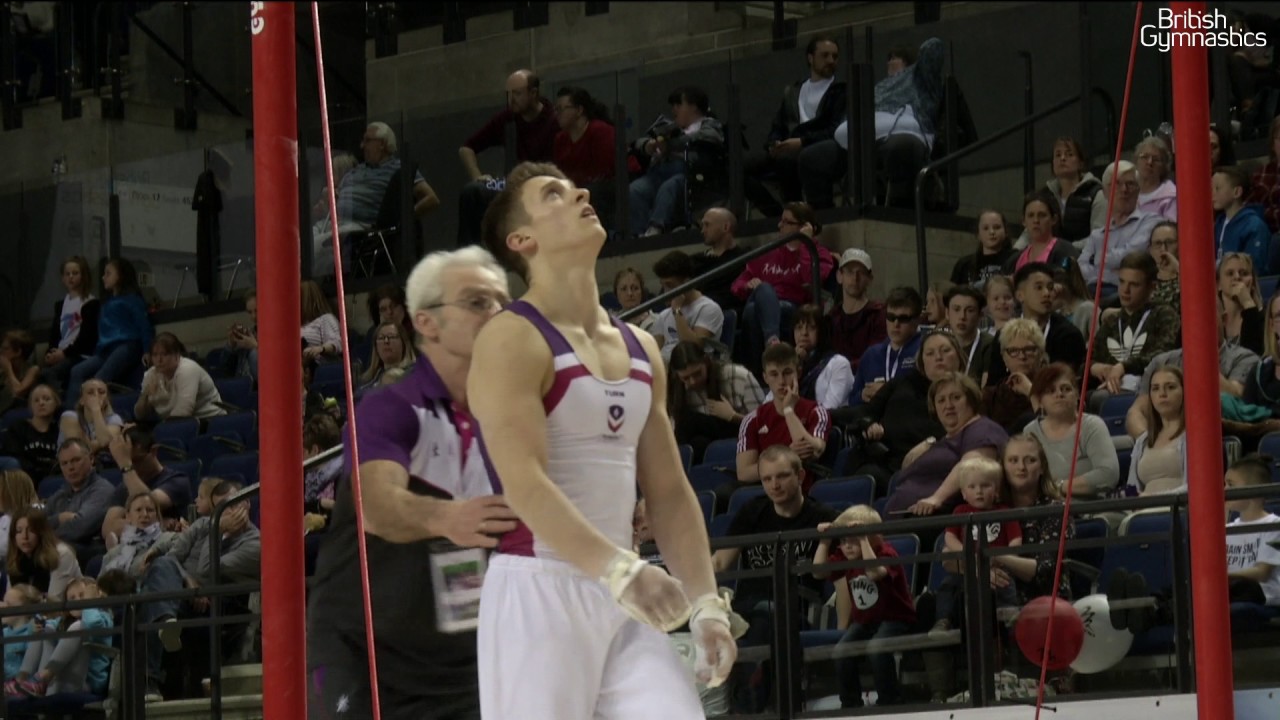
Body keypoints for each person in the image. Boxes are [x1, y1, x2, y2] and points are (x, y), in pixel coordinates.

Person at [472, 161, 738, 719]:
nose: (582, 192)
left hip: (623, 594)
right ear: (522, 240)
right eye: (555, 194)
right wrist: (617, 569)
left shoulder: (641, 347)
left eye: (576, 187)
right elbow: (523, 483)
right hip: (539, 592)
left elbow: (667, 492)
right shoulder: (510, 338)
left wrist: (706, 602)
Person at [306, 246, 519, 719]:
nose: (498, 314)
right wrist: (449, 516)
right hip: (360, 650)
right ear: (426, 322)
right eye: (477, 302)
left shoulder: (513, 423)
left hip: (461, 661)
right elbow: (377, 504)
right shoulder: (390, 408)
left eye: (502, 302)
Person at [812, 504, 915, 709]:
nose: (847, 546)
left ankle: (890, 701)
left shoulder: (887, 553)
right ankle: (850, 704)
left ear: (874, 537)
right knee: (841, 652)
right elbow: (818, 573)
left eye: (854, 540)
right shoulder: (845, 556)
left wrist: (863, 540)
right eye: (843, 541)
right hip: (865, 621)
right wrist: (824, 542)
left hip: (895, 618)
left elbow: (875, 573)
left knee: (876, 649)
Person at [457, 70, 560, 247]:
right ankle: (471, 255)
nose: (511, 99)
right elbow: (466, 149)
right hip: (511, 184)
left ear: (533, 93)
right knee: (473, 191)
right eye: (509, 94)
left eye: (517, 93)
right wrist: (477, 175)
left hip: (547, 185)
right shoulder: (507, 119)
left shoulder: (554, 119)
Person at [931, 456, 1021, 636]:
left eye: (985, 486)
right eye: (972, 487)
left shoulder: (1004, 512)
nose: (978, 491)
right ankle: (943, 620)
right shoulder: (960, 512)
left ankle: (1010, 613)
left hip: (997, 564)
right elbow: (950, 538)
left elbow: (1015, 539)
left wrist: (1006, 557)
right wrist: (967, 554)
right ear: (964, 493)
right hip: (968, 567)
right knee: (948, 585)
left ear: (996, 490)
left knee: (1006, 582)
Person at [733, 342, 830, 498]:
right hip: (765, 495)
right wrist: (787, 455)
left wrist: (788, 410)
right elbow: (744, 472)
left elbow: (811, 451)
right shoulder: (752, 420)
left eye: (787, 372)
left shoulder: (816, 411)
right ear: (765, 377)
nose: (781, 381)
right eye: (774, 374)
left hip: (803, 494)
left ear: (798, 373)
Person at [1024, 364, 1119, 498]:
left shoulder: (1092, 426)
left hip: (1089, 509)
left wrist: (1058, 487)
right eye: (1051, 391)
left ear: (1077, 395)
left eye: (1066, 389)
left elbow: (1108, 474)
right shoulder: (1030, 432)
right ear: (1040, 401)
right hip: (1044, 511)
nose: (1059, 394)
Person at [65, 258, 152, 403]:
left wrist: (147, 350)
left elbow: (144, 326)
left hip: (126, 345)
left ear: (120, 276)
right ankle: (70, 415)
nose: (103, 277)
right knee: (77, 370)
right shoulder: (107, 303)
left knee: (99, 378)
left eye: (108, 273)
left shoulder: (132, 300)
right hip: (106, 349)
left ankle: (89, 413)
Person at [666, 341, 764, 464]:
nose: (692, 382)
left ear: (706, 362)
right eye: (685, 378)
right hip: (706, 440)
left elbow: (765, 426)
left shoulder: (738, 376)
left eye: (697, 374)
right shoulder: (679, 390)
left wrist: (733, 416)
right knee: (698, 443)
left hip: (742, 431)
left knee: (690, 422)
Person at [849, 286, 923, 406]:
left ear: (917, 320)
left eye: (903, 318)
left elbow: (928, 397)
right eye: (891, 317)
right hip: (873, 421)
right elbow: (852, 401)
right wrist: (863, 395)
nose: (896, 324)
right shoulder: (871, 354)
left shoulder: (926, 351)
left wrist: (888, 391)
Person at [1224, 455, 1280, 607]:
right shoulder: (1226, 530)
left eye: (1231, 485)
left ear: (1254, 490)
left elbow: (1262, 573)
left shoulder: (1274, 525)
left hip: (1260, 593)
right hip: (1229, 588)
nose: (1224, 490)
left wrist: (1223, 576)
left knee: (1244, 587)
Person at [650, 250, 724, 363]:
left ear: (687, 283)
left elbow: (692, 349)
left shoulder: (708, 308)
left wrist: (677, 311)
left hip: (691, 370)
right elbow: (652, 354)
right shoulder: (664, 315)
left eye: (669, 285)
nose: (665, 292)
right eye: (663, 285)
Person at [133, 332, 225, 422]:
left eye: (164, 354)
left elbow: (183, 412)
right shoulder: (151, 374)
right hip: (175, 425)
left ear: (177, 355)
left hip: (210, 420)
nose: (159, 360)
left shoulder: (188, 369)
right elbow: (139, 415)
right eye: (155, 355)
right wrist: (146, 394)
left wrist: (161, 430)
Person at [39, 256, 99, 394]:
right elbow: (55, 334)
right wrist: (51, 353)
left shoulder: (90, 303)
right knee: (40, 373)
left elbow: (87, 339)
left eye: (75, 273)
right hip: (60, 352)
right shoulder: (60, 305)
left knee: (50, 374)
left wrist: (64, 354)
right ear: (63, 278)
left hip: (78, 354)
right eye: (67, 274)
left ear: (83, 276)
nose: (71, 277)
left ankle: (58, 403)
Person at [829, 248, 886, 371]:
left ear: (870, 278)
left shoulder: (878, 315)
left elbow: (875, 357)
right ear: (840, 276)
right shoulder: (833, 316)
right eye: (849, 272)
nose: (855, 278)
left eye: (861, 273)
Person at [5, 507, 82, 598]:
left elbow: (53, 604)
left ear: (41, 533)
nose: (24, 536)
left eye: (31, 530)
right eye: (19, 531)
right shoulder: (15, 560)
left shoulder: (61, 555)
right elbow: (10, 601)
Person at [1212, 165, 1275, 275]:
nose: (1212, 193)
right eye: (1210, 188)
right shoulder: (1219, 223)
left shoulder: (1254, 226)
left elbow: (1253, 268)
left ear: (1237, 192)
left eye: (1217, 188)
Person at [1, 385, 61, 479]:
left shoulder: (59, 430)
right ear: (31, 406)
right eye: (36, 400)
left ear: (56, 403)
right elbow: (15, 457)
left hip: (49, 478)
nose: (41, 403)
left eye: (46, 399)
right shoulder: (18, 427)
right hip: (23, 477)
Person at [951, 210, 1014, 289]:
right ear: (978, 234)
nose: (991, 232)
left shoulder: (1015, 259)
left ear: (1006, 232)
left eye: (997, 227)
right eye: (985, 228)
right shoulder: (964, 264)